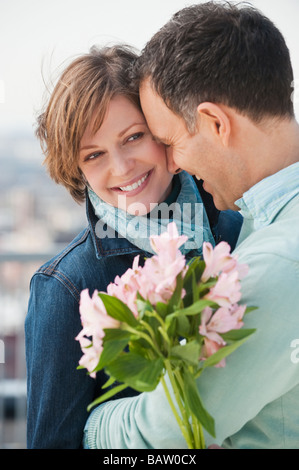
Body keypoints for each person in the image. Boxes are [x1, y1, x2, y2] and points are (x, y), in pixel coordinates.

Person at [83, 2, 299, 449]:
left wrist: (94, 422)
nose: (174, 163)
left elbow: (162, 433)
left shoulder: (279, 260)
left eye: (169, 141)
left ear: (215, 122)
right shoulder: (256, 226)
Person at [25, 43, 241, 449]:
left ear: (165, 131)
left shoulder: (235, 229)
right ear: (76, 170)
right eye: (94, 155)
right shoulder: (67, 287)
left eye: (134, 137)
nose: (122, 168)